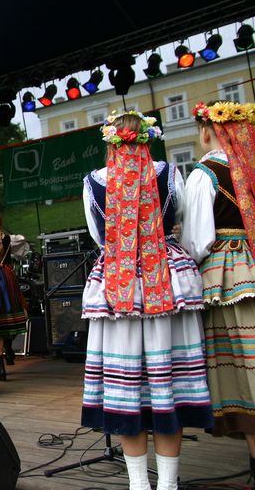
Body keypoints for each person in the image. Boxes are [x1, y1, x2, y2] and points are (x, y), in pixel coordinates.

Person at [81, 110, 212, 490]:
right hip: (166, 280)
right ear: (147, 139)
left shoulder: (94, 181)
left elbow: (98, 235)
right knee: (169, 388)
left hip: (118, 283)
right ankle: (167, 485)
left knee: (127, 393)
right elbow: (182, 218)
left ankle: (139, 485)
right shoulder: (169, 173)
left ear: (111, 142)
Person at [181, 101, 255, 479]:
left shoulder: (205, 174)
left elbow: (197, 241)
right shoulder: (249, 167)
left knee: (243, 368)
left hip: (228, 277)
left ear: (207, 130)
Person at [0, 211, 27, 381]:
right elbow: (22, 248)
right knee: (9, 315)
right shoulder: (9, 239)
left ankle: (0, 364)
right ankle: (8, 348)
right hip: (6, 277)